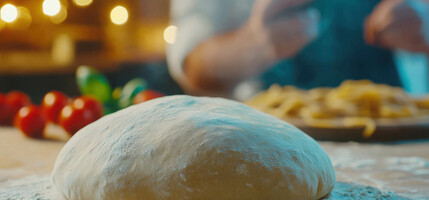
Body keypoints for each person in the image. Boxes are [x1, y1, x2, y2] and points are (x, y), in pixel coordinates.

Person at [167, 0, 429, 99]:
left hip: (399, 138)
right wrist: (254, 43)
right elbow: (192, 66)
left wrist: (424, 21)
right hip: (271, 140)